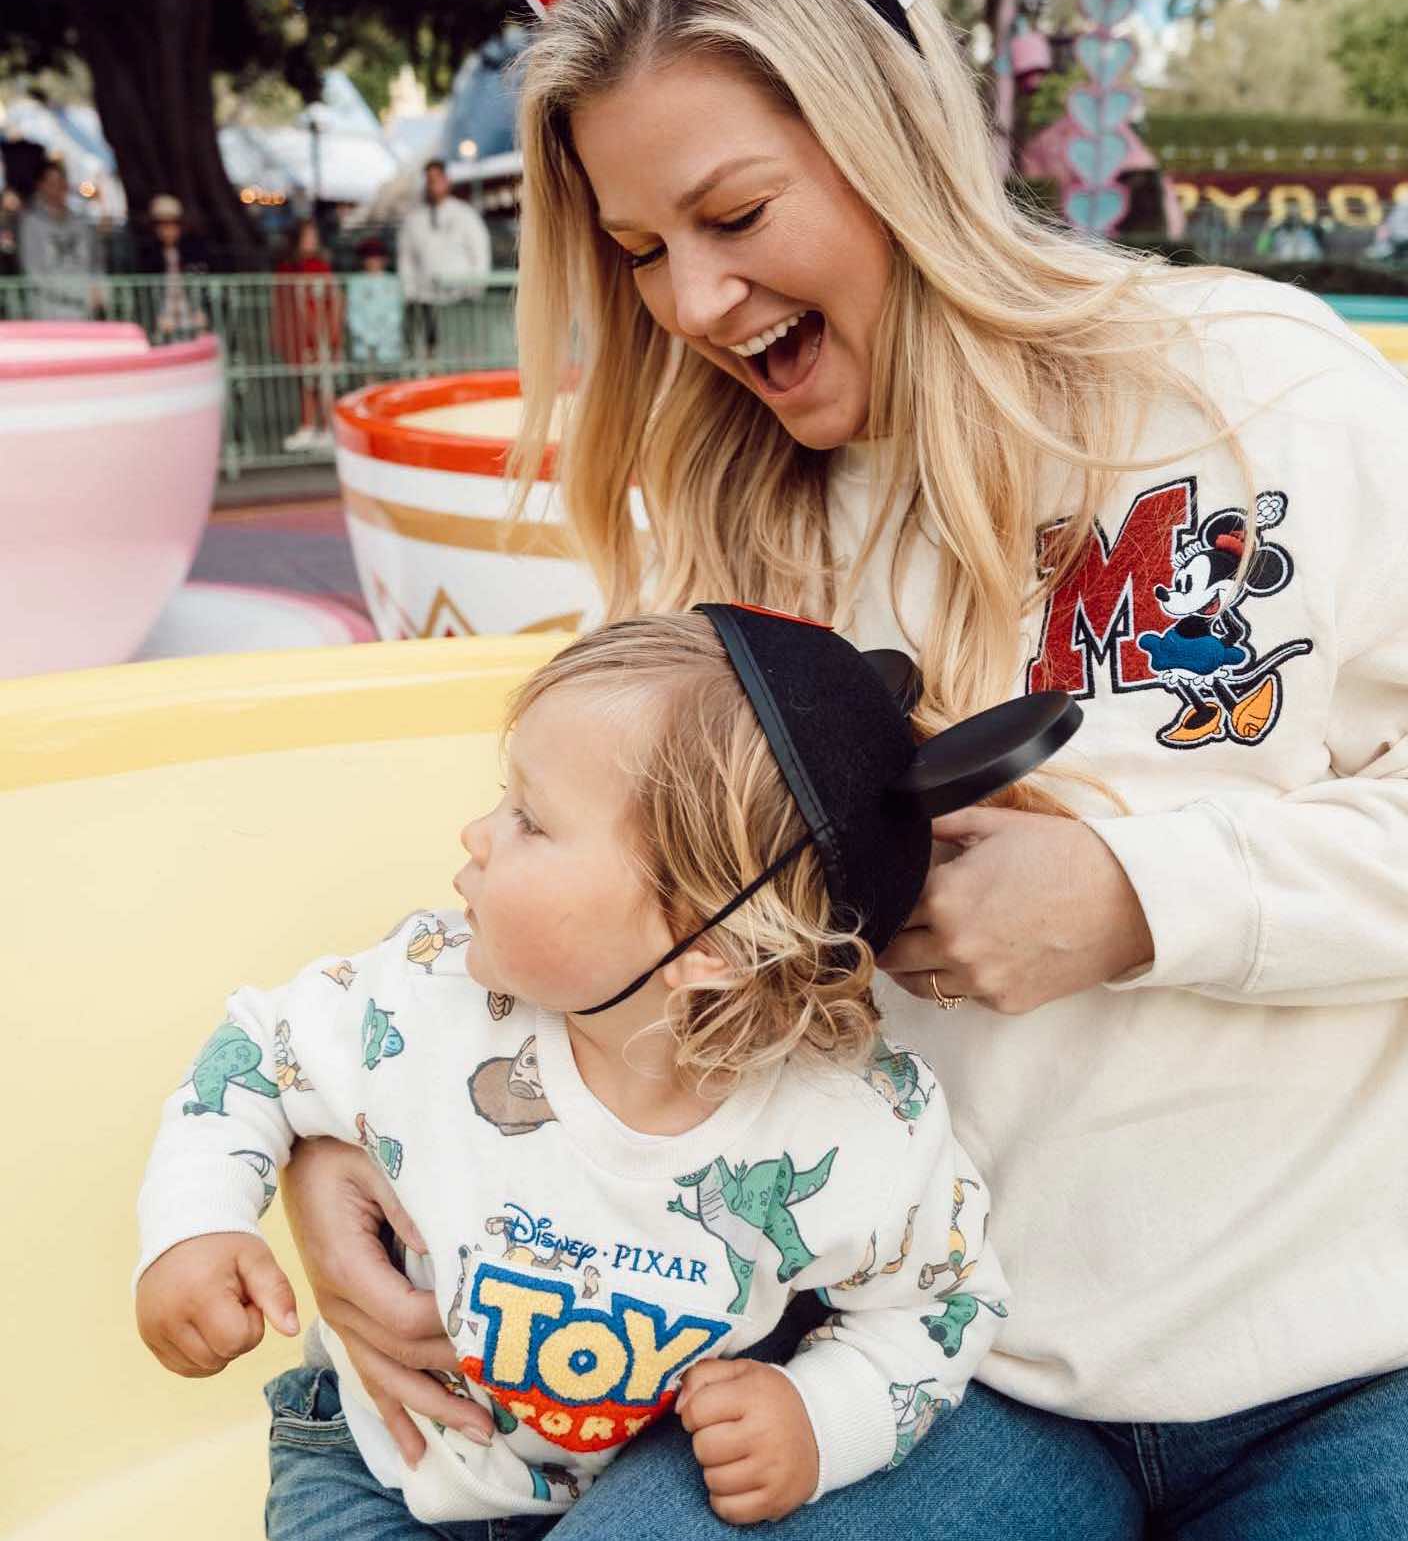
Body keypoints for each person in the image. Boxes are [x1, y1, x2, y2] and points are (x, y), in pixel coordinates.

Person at [279, 0, 1408, 1535]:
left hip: (1390, 1355)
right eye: (637, 253)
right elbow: (603, 910)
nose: (688, 304)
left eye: (736, 215)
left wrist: (1138, 899)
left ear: (895, 145)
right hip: (926, 1366)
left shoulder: (1254, 385)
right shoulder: (718, 532)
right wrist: (324, 1138)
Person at [135, 609, 1016, 1533]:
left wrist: (822, 1418)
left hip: (622, 1491)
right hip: (372, 1466)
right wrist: (192, 1224)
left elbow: (946, 1300)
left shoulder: (858, 1119)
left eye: (530, 819)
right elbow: (250, 1057)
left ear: (705, 938)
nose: (475, 833)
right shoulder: (421, 995)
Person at [397, 159, 492, 360]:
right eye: (429, 180)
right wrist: (411, 292)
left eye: (437, 179)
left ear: (447, 181)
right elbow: (406, 259)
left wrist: (476, 286)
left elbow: (480, 252)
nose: (433, 185)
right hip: (426, 298)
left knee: (466, 349)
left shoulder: (465, 215)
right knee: (431, 351)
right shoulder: (414, 220)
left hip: (462, 297)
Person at [271, 216, 343, 451]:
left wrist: (332, 332)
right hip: (299, 333)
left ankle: (329, 427)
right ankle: (309, 425)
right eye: (308, 236)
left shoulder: (321, 267)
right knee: (306, 382)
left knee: (324, 382)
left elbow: (334, 300)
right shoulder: (286, 269)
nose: (312, 241)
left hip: (320, 332)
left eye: (314, 236)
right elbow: (282, 303)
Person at [16, 158, 105, 318]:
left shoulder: (82, 223)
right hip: (48, 310)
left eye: (60, 182)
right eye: (51, 183)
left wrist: (99, 291)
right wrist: (76, 294)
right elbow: (33, 272)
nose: (57, 188)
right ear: (40, 185)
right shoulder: (30, 224)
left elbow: (96, 262)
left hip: (85, 312)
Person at [136, 193, 212, 342]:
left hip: (189, 314)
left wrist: (200, 311)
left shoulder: (192, 252)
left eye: (173, 224)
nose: (168, 230)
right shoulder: (147, 256)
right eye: (162, 225)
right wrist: (156, 317)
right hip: (163, 317)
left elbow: (201, 287)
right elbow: (144, 294)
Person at [346, 235, 406, 371]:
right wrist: (367, 337)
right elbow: (353, 314)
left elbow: (396, 312)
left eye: (377, 256)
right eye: (369, 257)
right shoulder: (355, 282)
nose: (373, 261)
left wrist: (382, 334)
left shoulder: (393, 282)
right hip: (364, 345)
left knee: (389, 381)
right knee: (369, 380)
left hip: (389, 343)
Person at [1253, 202, 1324, 264]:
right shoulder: (1277, 232)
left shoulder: (1309, 231)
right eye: (1289, 214)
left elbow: (1320, 254)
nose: (1293, 218)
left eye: (1296, 213)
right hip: (1282, 269)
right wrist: (1268, 229)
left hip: (1309, 268)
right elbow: (1261, 250)